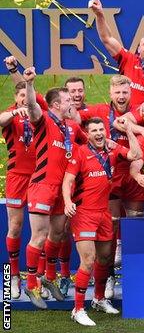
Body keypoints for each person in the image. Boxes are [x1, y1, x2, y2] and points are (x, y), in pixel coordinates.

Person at [62, 117, 141, 326]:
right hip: (84, 213)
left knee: (105, 258)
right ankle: (78, 309)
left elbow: (135, 154)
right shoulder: (79, 152)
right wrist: (68, 201)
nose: (98, 133)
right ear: (87, 134)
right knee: (88, 260)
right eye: (94, 130)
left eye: (101, 130)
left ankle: (98, 299)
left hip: (104, 213)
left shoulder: (112, 150)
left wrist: (130, 131)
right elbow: (68, 179)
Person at [22, 68, 86, 309]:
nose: (73, 101)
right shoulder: (45, 120)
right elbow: (31, 107)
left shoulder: (70, 127)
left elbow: (85, 145)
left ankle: (49, 277)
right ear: (57, 104)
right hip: (42, 185)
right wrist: (29, 84)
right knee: (38, 237)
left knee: (58, 234)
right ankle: (31, 285)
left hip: (62, 190)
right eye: (68, 99)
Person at [79, 75, 144, 298]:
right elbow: (76, 117)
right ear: (110, 94)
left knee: (135, 227)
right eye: (117, 92)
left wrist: (136, 129)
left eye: (125, 92)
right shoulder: (98, 111)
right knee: (108, 233)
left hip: (133, 173)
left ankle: (135, 279)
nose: (121, 96)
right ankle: (108, 278)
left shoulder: (139, 112)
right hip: (110, 177)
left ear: (130, 93)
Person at [0, 81, 47, 299]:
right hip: (17, 177)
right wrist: (14, 113)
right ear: (16, 97)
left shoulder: (40, 113)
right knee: (16, 227)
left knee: (41, 231)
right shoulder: (11, 114)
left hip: (40, 177)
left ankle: (38, 277)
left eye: (27, 95)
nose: (24, 99)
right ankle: (14, 276)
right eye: (20, 95)